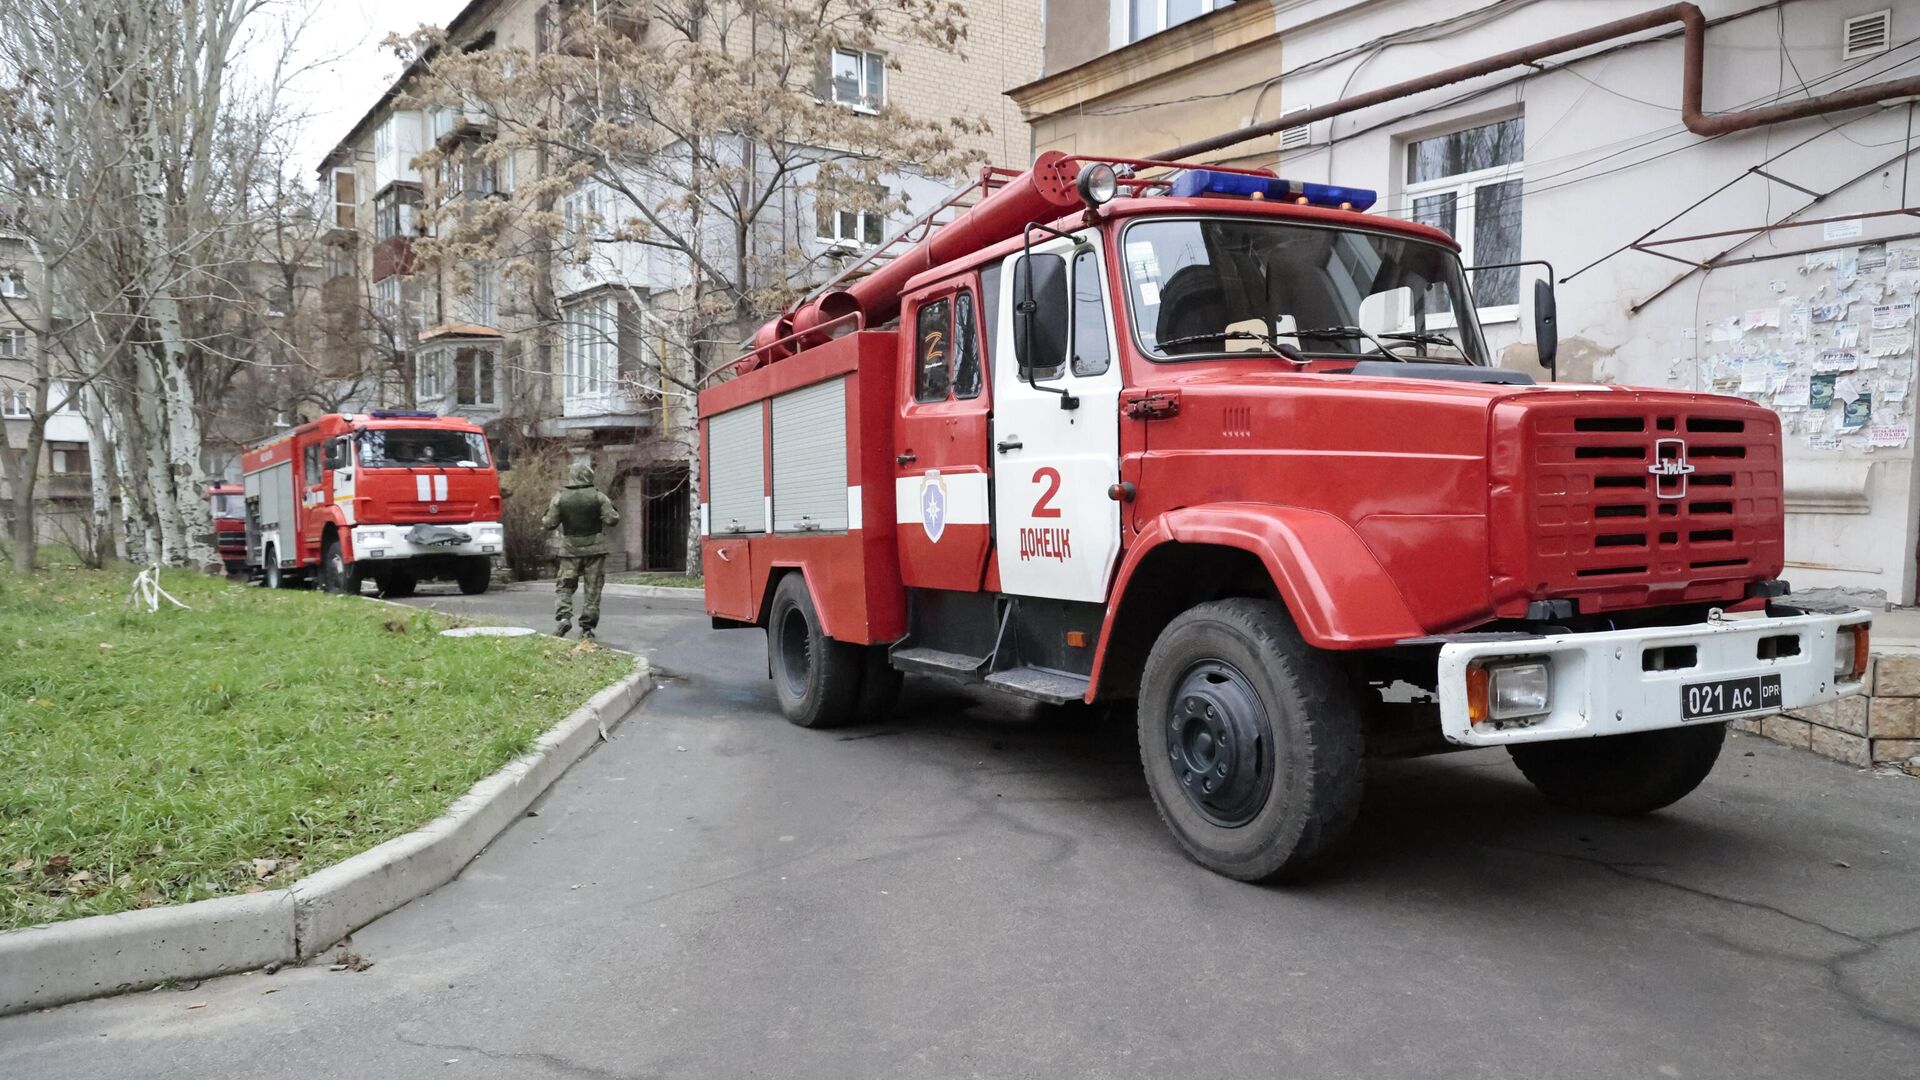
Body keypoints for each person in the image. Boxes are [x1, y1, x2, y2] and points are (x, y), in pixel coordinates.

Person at [542, 461, 621, 638]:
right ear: (589, 475)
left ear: (572, 476)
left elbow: (549, 523)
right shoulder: (599, 496)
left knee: (565, 586)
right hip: (595, 550)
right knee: (593, 589)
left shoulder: (560, 497)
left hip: (570, 550)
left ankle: (563, 618)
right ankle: (587, 628)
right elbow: (612, 519)